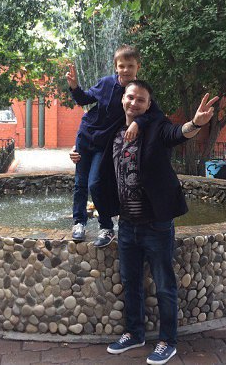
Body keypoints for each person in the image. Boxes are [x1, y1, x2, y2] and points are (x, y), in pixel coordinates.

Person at [93, 80, 217, 365]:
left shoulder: (156, 127)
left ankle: (167, 341)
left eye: (141, 100)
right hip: (126, 225)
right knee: (131, 281)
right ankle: (135, 333)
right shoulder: (116, 132)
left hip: (156, 225)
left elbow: (176, 134)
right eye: (130, 97)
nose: (134, 103)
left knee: (163, 284)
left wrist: (195, 124)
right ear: (123, 99)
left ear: (149, 105)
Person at [66, 45, 161, 247]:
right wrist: (74, 87)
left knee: (95, 183)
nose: (125, 70)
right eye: (121, 66)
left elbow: (155, 115)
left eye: (130, 66)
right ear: (115, 67)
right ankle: (79, 222)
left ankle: (106, 226)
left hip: (104, 144)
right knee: (80, 183)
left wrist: (137, 122)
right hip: (85, 137)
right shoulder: (106, 83)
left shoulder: (138, 90)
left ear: (138, 67)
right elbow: (84, 99)